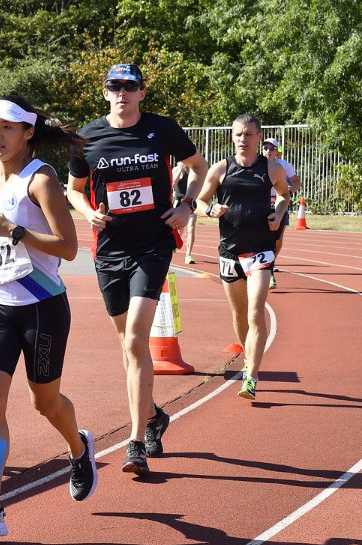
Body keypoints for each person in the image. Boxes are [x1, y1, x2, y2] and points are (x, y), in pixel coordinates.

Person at [0, 96, 96, 536]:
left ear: (28, 132)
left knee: (44, 402)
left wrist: (16, 231)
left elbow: (67, 248)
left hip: (42, 305)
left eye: (7, 128)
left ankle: (78, 448)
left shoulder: (41, 180)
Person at [66, 63, 208, 475]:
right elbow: (73, 189)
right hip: (110, 250)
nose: (122, 93)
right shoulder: (86, 137)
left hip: (153, 244)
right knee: (129, 347)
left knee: (134, 341)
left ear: (142, 93)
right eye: (115, 87)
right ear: (105, 91)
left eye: (130, 87)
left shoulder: (163, 129)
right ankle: (154, 417)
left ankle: (134, 444)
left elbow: (198, 167)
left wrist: (186, 205)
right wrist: (88, 212)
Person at [195, 114, 290, 400]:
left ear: (259, 137)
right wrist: (210, 210)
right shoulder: (221, 168)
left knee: (255, 311)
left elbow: (284, 195)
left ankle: (251, 377)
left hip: (260, 249)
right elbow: (200, 201)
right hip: (229, 251)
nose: (243, 139)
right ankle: (248, 356)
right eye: (238, 134)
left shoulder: (271, 168)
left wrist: (280, 211)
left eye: (249, 134)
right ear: (232, 136)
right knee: (239, 316)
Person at [261, 137, 300, 289]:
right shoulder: (256, 164)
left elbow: (296, 181)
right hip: (261, 203)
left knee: (278, 238)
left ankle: (270, 263)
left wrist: (290, 190)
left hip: (279, 203)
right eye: (265, 147)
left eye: (272, 148)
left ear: (277, 152)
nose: (268, 151)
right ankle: (266, 270)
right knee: (261, 236)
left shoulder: (284, 165)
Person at [172, 161, 198, 264]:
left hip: (191, 203)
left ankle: (188, 254)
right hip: (179, 202)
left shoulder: (194, 170)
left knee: (191, 228)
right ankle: (175, 243)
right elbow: (173, 184)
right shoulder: (176, 169)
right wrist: (180, 170)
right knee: (179, 230)